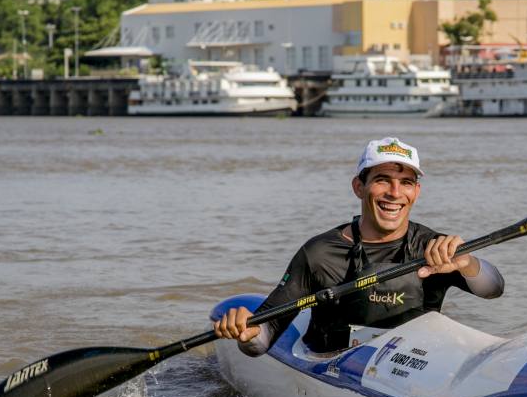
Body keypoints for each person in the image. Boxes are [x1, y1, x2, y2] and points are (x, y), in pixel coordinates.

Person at [214, 137, 504, 355]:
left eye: (406, 182)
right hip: (331, 363)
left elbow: (494, 290)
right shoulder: (320, 253)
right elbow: (265, 338)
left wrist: (467, 263)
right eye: (382, 180)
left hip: (410, 367)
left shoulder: (433, 248)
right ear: (358, 187)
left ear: (416, 192)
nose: (394, 193)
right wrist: (249, 334)